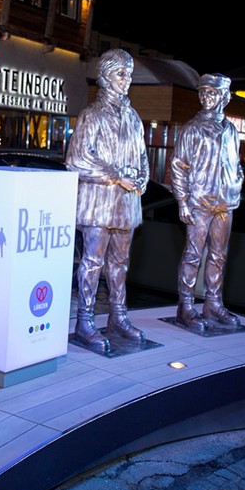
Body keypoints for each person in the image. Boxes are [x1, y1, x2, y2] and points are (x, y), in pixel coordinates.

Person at [65, 48, 148, 354]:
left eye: (129, 74)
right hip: (98, 204)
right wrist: (116, 175)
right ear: (104, 76)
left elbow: (142, 156)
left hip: (125, 204)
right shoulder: (92, 115)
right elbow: (76, 159)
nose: (127, 80)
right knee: (92, 262)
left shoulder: (133, 117)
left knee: (120, 263)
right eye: (120, 74)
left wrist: (142, 178)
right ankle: (84, 321)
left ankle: (118, 316)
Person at [170, 73, 243, 331]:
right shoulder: (192, 128)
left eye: (211, 93)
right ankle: (186, 306)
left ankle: (213, 303)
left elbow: (236, 164)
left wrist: (236, 183)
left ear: (224, 97)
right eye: (202, 92)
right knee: (192, 256)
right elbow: (178, 166)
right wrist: (183, 201)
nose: (205, 97)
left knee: (219, 256)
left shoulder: (231, 130)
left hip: (225, 203)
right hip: (200, 202)